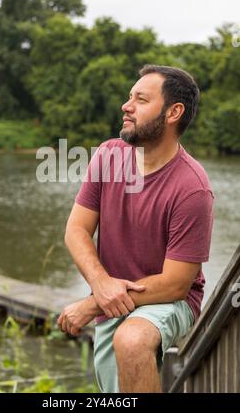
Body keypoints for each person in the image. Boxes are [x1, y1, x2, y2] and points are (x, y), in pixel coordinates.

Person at [57, 65, 214, 393]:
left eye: (140, 99)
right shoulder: (108, 155)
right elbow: (76, 229)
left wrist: (91, 303)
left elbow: (174, 284)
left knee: (130, 339)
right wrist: (101, 284)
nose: (126, 106)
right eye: (129, 97)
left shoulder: (192, 187)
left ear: (173, 112)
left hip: (172, 301)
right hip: (113, 296)